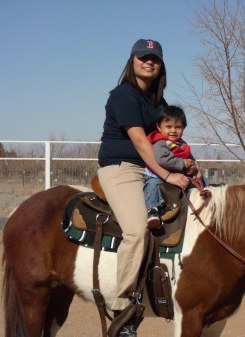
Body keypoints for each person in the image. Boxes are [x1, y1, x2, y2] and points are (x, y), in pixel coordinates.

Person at [97, 39, 189, 336]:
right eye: (143, 57)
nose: (148, 62)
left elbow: (167, 142)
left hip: (152, 169)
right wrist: (166, 174)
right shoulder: (122, 95)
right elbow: (139, 141)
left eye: (154, 59)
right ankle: (122, 309)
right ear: (133, 60)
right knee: (137, 231)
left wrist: (188, 166)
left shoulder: (159, 104)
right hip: (123, 168)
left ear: (161, 65)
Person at [143, 105, 201, 227]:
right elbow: (162, 159)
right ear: (159, 127)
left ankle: (202, 197)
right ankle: (152, 210)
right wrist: (182, 163)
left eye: (178, 127)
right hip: (159, 174)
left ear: (183, 128)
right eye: (168, 127)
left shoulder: (182, 144)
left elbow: (189, 157)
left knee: (200, 181)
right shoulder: (160, 143)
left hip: (178, 174)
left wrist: (194, 168)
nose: (173, 130)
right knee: (152, 185)